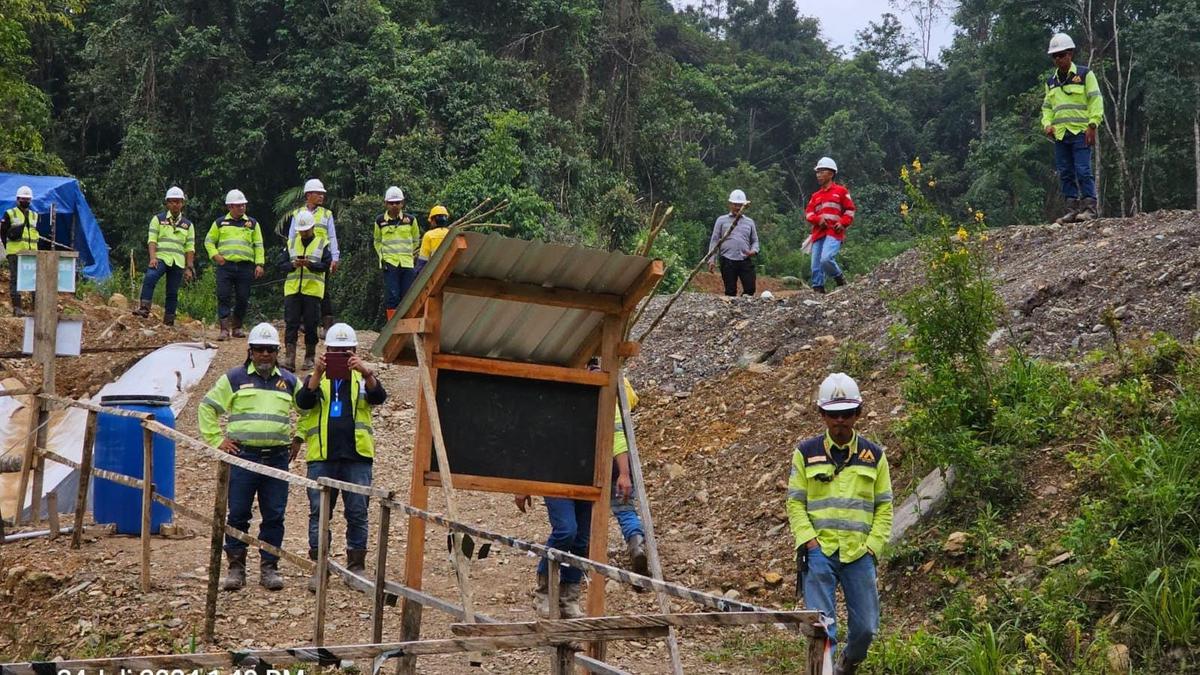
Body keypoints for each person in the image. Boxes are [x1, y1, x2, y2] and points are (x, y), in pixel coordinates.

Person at [786, 373, 893, 675]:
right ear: (822, 415)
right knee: (822, 629)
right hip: (820, 551)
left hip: (859, 554)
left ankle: (848, 663)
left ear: (858, 413)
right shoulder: (805, 453)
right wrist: (809, 541)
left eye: (847, 414)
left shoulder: (874, 456)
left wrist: (873, 547)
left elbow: (885, 506)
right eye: (833, 414)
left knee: (867, 628)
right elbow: (795, 502)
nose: (840, 421)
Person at [198, 323, 301, 591]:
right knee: (239, 513)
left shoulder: (289, 381)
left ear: (277, 351)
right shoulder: (234, 378)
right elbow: (207, 407)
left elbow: (310, 409)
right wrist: (217, 440)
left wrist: (299, 437)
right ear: (250, 351)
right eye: (260, 349)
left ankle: (269, 568)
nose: (265, 354)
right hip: (243, 457)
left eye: (270, 350)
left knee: (274, 515)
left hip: (277, 459)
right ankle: (236, 567)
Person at [295, 322, 387, 591]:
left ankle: (356, 567)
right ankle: (320, 568)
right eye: (335, 350)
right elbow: (303, 403)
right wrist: (317, 372)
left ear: (355, 351)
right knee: (320, 513)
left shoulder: (362, 377)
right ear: (326, 350)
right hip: (322, 456)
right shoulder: (316, 378)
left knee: (358, 511)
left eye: (346, 351)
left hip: (356, 457)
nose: (341, 355)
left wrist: (365, 371)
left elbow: (379, 396)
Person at [1041, 33, 1104, 224]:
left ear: (1071, 54)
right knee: (1065, 172)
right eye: (1055, 56)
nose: (1058, 59)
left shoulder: (1085, 75)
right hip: (1061, 134)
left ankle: (1089, 209)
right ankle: (1071, 210)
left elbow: (1095, 99)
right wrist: (1047, 124)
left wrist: (1093, 124)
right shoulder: (1051, 82)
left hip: (1081, 132)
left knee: (1083, 170)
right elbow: (1047, 108)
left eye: (1062, 54)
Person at [205, 189, 264, 340]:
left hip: (245, 266)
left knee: (243, 297)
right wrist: (216, 256)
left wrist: (259, 264)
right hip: (226, 266)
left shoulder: (252, 223)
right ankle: (224, 329)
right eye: (238, 205)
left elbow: (258, 245)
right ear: (230, 207)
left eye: (243, 205)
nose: (242, 208)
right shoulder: (220, 223)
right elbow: (209, 241)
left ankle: (237, 326)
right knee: (223, 295)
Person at [134, 186, 195, 325]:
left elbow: (190, 247)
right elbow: (152, 240)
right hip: (161, 258)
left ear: (182, 203)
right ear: (167, 203)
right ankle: (144, 308)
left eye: (178, 202)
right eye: (172, 201)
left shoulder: (188, 225)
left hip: (177, 261)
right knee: (150, 278)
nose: (175, 204)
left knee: (172, 292)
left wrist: (189, 267)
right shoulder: (158, 219)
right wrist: (153, 257)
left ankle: (169, 320)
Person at [281, 210, 331, 371]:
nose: (303, 233)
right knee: (291, 324)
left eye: (306, 230)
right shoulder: (291, 244)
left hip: (312, 291)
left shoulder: (322, 243)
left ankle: (309, 357)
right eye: (301, 231)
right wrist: (292, 265)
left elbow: (326, 265)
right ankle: (289, 358)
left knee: (311, 324)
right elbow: (280, 265)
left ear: (312, 228)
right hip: (293, 290)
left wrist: (311, 265)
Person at [288, 179, 340, 333]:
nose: (321, 196)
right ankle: (304, 323)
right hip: (300, 257)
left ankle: (327, 324)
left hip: (320, 258)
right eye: (318, 193)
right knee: (300, 290)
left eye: (322, 194)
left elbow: (332, 237)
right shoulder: (297, 214)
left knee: (324, 291)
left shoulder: (327, 214)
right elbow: (292, 237)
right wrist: (292, 258)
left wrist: (335, 258)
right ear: (308, 195)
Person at [805, 157, 856, 294]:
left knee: (826, 259)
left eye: (822, 171)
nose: (818, 175)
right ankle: (818, 289)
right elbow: (808, 213)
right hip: (818, 233)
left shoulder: (841, 191)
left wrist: (843, 223)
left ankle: (839, 277)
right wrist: (817, 220)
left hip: (834, 232)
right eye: (817, 172)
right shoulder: (815, 196)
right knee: (815, 265)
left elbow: (850, 210)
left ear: (831, 173)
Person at [373, 186, 420, 321]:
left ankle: (406, 325)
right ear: (386, 203)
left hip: (407, 262)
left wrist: (409, 253)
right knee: (392, 296)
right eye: (391, 203)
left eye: (397, 202)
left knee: (407, 295)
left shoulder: (410, 220)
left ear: (402, 203)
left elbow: (416, 240)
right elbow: (377, 241)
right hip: (390, 262)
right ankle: (392, 327)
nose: (394, 205)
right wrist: (383, 257)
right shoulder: (380, 221)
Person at [706, 189, 758, 297]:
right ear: (730, 204)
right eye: (735, 205)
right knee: (730, 291)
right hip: (727, 260)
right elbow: (714, 240)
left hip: (744, 259)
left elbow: (755, 241)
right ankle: (731, 311)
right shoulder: (721, 220)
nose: (738, 208)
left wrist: (754, 251)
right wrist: (711, 260)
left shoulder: (749, 222)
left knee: (750, 288)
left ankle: (744, 306)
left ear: (744, 206)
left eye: (740, 205)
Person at [1, 185, 38, 316]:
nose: (26, 201)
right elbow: (3, 233)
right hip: (15, 253)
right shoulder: (10, 213)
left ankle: (36, 307)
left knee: (34, 279)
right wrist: (9, 249)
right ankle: (17, 308)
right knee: (15, 279)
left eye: (28, 199)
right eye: (23, 198)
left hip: (32, 253)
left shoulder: (34, 215)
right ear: (17, 199)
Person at [414, 204, 452, 275]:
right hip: (450, 271)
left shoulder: (429, 235)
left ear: (433, 220)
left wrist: (416, 275)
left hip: (433, 272)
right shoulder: (451, 234)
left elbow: (423, 260)